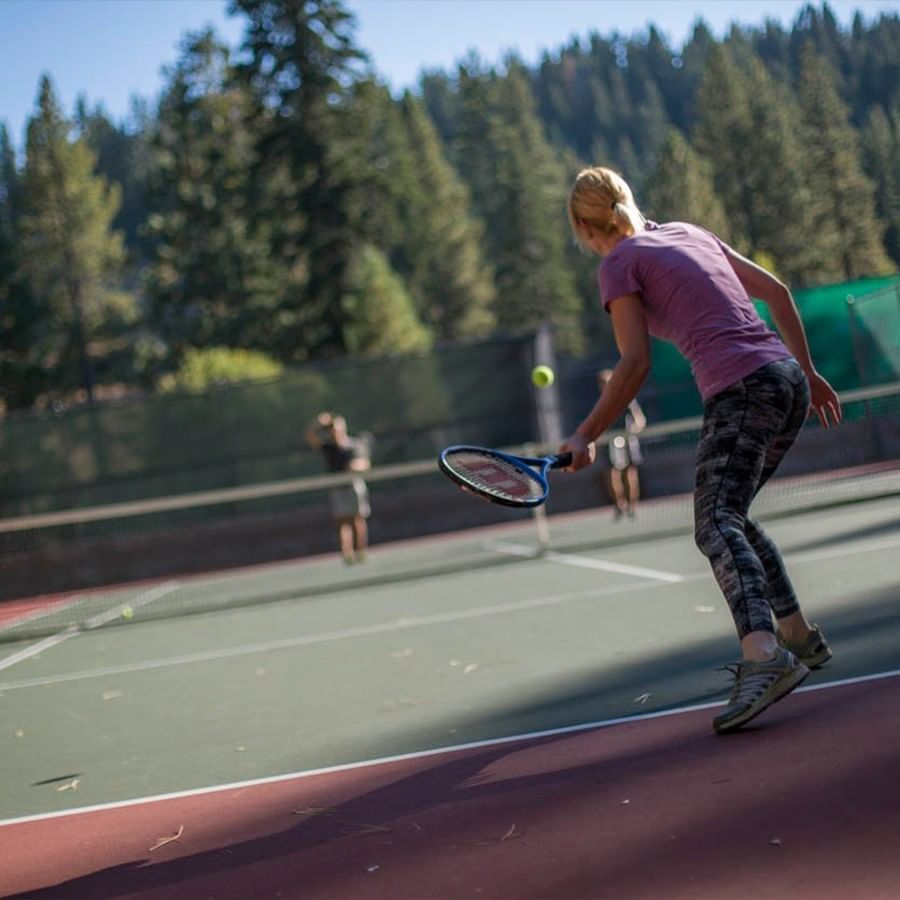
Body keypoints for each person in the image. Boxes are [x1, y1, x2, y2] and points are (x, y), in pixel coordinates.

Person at [561, 166, 842, 734]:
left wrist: (585, 433)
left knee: (714, 523)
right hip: (784, 380)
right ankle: (796, 634)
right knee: (733, 515)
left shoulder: (618, 262)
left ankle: (764, 658)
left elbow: (634, 361)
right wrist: (807, 373)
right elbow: (779, 294)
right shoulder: (688, 232)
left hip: (740, 388)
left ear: (589, 229)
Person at [305, 412, 373, 564]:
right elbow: (310, 436)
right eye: (331, 429)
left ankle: (361, 551)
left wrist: (356, 466)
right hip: (337, 488)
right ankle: (347, 553)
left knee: (357, 519)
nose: (334, 431)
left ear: (343, 428)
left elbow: (365, 463)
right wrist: (318, 422)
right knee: (342, 521)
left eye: (336, 428)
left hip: (353, 485)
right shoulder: (328, 447)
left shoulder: (353, 445)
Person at [597, 367, 646, 519]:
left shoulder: (627, 398)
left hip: (628, 441)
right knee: (612, 474)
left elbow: (640, 421)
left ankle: (633, 506)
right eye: (602, 383)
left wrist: (632, 431)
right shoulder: (601, 403)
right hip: (611, 442)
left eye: (607, 382)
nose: (605, 385)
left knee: (630, 474)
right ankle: (620, 504)